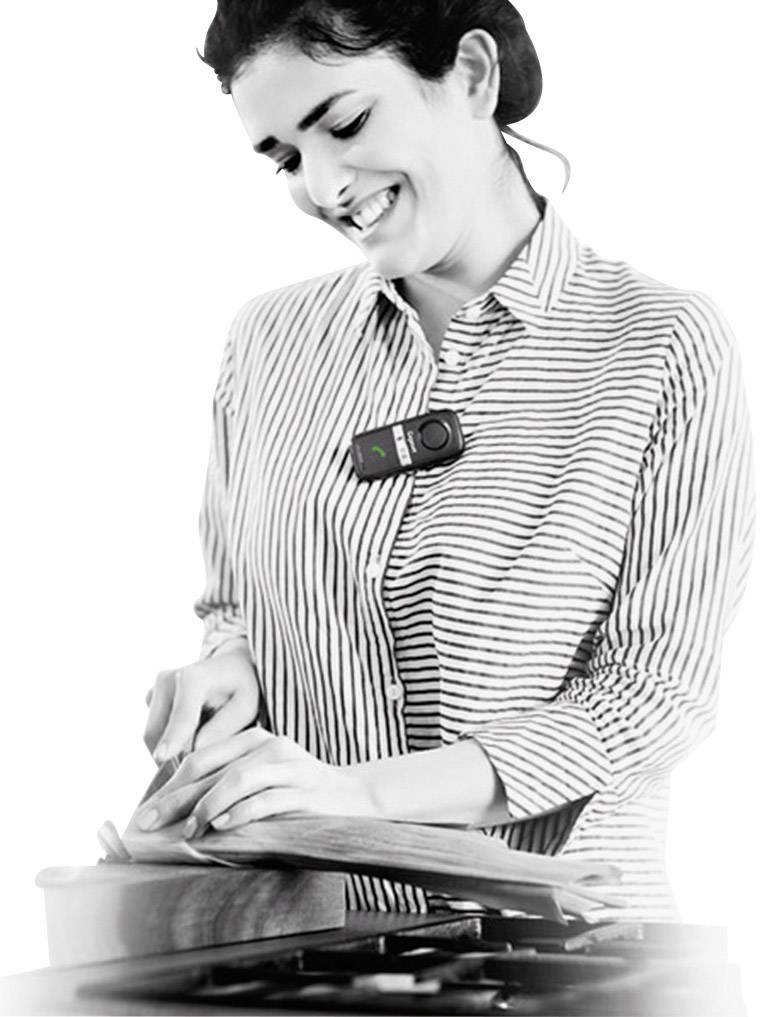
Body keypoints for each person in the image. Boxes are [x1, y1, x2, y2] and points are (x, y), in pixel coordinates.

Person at [138, 0, 754, 919]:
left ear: (471, 75)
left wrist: (361, 796)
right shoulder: (267, 342)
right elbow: (234, 604)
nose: (325, 183)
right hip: (310, 952)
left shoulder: (660, 344)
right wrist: (232, 664)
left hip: (568, 961)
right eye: (284, 157)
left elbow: (653, 696)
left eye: (344, 123)